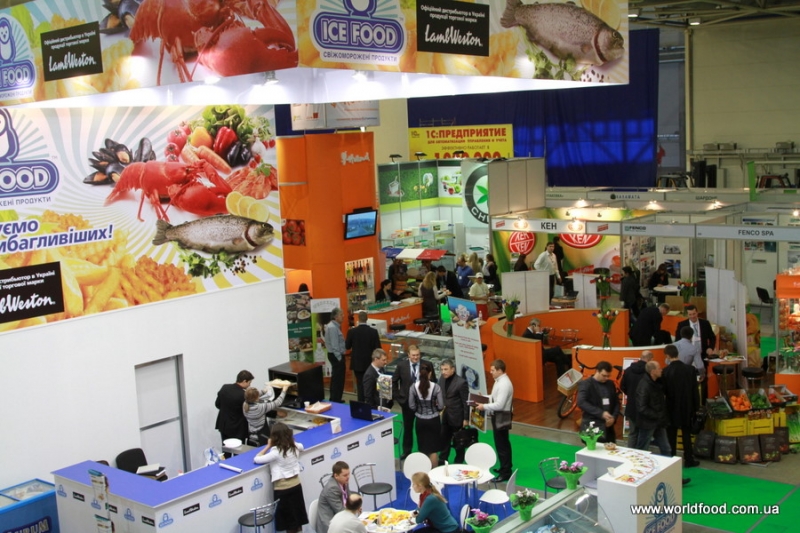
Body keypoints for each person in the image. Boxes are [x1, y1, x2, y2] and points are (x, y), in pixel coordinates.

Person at [253, 422, 308, 533]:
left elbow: (257, 459)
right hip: (296, 486)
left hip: (283, 489)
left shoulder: (276, 452)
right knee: (297, 519)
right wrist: (291, 441)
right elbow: (302, 446)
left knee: (288, 522)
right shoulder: (294, 446)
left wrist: (268, 446)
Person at [392, 344, 436, 459]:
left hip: (423, 403)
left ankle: (424, 451)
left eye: (417, 355)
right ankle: (407, 451)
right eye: (413, 355)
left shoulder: (427, 365)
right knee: (408, 428)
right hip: (407, 403)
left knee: (423, 428)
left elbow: (434, 381)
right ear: (408, 355)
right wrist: (399, 398)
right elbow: (394, 381)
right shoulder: (401, 366)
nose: (416, 357)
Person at [662, 345, 701, 468]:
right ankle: (689, 459)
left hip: (671, 407)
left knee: (671, 435)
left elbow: (663, 392)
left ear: (667, 356)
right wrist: (696, 407)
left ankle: (672, 460)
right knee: (686, 434)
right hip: (687, 406)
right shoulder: (690, 370)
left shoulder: (666, 371)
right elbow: (695, 391)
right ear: (677, 353)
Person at [475, 360, 514, 482]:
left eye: (493, 370)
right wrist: (485, 398)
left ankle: (506, 472)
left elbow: (499, 405)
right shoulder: (499, 381)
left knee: (502, 444)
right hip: (499, 415)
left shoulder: (504, 384)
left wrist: (484, 406)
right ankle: (504, 467)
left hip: (501, 415)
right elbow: (495, 398)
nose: (490, 372)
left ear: (499, 370)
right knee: (501, 443)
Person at [409, 361, 444, 467]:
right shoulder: (436, 387)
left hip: (420, 420)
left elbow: (411, 405)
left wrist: (418, 410)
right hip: (434, 420)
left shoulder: (413, 387)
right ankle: (434, 473)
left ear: (419, 373)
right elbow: (441, 406)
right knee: (433, 449)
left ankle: (423, 472)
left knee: (422, 447)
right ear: (430, 373)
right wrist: (436, 409)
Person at [634, 361, 671, 456]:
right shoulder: (644, 386)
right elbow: (642, 407)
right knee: (642, 449)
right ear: (653, 371)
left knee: (666, 448)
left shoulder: (657, 382)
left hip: (658, 422)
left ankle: (667, 464)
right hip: (647, 423)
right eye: (659, 368)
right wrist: (657, 415)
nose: (661, 370)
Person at [576, 361, 619, 443]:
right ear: (597, 371)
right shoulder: (586, 384)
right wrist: (601, 413)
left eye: (608, 376)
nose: (606, 378)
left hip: (608, 426)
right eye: (604, 375)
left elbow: (616, 402)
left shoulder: (610, 384)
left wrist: (614, 417)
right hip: (592, 424)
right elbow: (581, 402)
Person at [619, 350, 654, 448]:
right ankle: (641, 454)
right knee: (644, 435)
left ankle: (630, 453)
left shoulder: (628, 370)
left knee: (632, 433)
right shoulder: (649, 372)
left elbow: (622, 386)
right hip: (645, 408)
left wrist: (630, 394)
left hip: (631, 406)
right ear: (650, 359)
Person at [438, 358, 469, 464]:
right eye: (442, 369)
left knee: (458, 442)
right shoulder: (441, 379)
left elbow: (465, 402)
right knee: (444, 440)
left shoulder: (461, 382)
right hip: (445, 416)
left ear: (453, 369)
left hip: (457, 417)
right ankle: (442, 460)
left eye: (446, 369)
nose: (443, 372)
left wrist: (466, 419)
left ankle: (458, 462)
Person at [346, 311, 382, 403]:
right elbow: (378, 348)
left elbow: (347, 346)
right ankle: (371, 403)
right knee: (371, 384)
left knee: (360, 385)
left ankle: (361, 404)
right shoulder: (373, 332)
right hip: (370, 363)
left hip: (357, 363)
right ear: (367, 319)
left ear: (358, 319)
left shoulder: (352, 332)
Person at [215, 370, 254, 443]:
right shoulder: (243, 395)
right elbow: (248, 411)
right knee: (238, 448)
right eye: (249, 383)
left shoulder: (224, 388)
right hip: (238, 429)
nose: (249, 385)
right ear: (244, 381)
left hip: (224, 426)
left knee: (226, 447)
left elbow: (217, 404)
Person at [317, 461, 354, 533]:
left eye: (348, 474)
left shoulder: (344, 481)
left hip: (340, 518)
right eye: (345, 475)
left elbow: (349, 497)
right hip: (330, 524)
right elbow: (340, 511)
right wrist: (354, 510)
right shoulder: (332, 488)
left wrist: (355, 505)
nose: (348, 477)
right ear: (336, 476)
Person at [325, 308, 346, 403]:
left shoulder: (333, 326)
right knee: (338, 379)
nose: (343, 316)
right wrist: (339, 358)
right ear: (336, 317)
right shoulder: (333, 328)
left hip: (335, 355)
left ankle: (335, 398)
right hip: (336, 356)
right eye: (341, 315)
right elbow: (334, 345)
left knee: (336, 378)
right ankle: (336, 399)